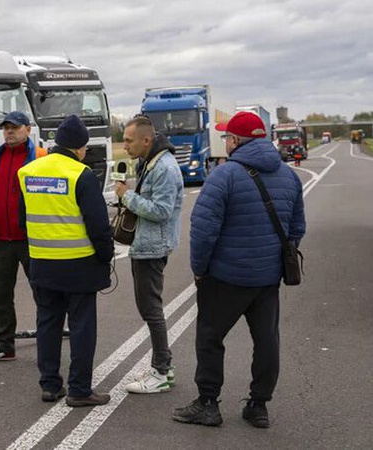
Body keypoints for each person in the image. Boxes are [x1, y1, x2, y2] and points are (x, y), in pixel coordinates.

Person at [172, 111, 305, 427]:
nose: (226, 143)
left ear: (234, 140)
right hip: (267, 279)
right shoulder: (289, 176)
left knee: (210, 338)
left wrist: (199, 269)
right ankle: (258, 405)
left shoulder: (224, 175)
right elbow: (297, 228)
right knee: (267, 340)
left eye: (227, 137)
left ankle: (208, 403)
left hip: (225, 278)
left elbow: (203, 230)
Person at [18, 115, 114, 406]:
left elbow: (23, 218)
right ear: (79, 147)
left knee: (48, 324)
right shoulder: (81, 174)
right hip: (79, 264)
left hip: (41, 262)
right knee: (82, 327)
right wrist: (106, 256)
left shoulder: (28, 172)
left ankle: (49, 385)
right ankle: (79, 390)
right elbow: (98, 224)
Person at [115, 115, 183, 394]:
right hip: (146, 244)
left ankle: (161, 371)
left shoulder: (164, 167)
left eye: (128, 141)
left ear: (146, 140)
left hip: (153, 247)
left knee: (151, 310)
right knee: (149, 308)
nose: (124, 146)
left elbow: (162, 211)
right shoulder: (150, 162)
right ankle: (163, 366)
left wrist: (127, 196)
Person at [0, 111, 47, 363]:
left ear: (28, 129)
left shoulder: (41, 157)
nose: (9, 132)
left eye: (14, 127)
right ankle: (4, 346)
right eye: (6, 128)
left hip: (31, 240)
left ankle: (48, 343)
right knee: (1, 297)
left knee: (43, 294)